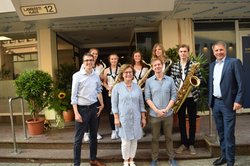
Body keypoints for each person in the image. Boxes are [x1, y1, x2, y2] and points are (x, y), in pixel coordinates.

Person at [208, 41, 244, 166]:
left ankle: (230, 161)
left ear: (225, 50)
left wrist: (238, 100)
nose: (219, 52)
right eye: (216, 50)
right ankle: (223, 156)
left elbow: (241, 83)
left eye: (221, 50)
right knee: (221, 133)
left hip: (228, 103)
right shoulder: (212, 65)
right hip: (215, 103)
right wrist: (210, 102)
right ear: (213, 52)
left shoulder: (234, 62)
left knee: (228, 133)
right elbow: (212, 85)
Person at [71, 53, 106, 166]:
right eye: (86, 60)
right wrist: (76, 113)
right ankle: (77, 163)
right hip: (82, 110)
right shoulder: (77, 76)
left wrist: (102, 104)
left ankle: (93, 159)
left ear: (93, 62)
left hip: (94, 108)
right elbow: (73, 96)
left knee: (93, 136)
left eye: (91, 60)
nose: (89, 62)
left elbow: (99, 90)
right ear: (83, 62)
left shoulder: (96, 75)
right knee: (78, 139)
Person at [144, 58, 178, 166]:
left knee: (169, 137)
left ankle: (171, 158)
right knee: (155, 138)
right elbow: (147, 98)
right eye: (155, 65)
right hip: (154, 115)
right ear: (152, 67)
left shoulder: (170, 80)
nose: (157, 67)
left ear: (162, 66)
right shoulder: (148, 81)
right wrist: (157, 111)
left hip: (168, 114)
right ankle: (154, 159)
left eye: (159, 64)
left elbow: (174, 96)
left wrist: (166, 109)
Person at [111, 64, 147, 166]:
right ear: (122, 74)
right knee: (126, 141)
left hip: (136, 118)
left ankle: (132, 159)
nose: (128, 74)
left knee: (134, 140)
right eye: (126, 72)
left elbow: (141, 104)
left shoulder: (137, 87)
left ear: (133, 74)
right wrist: (116, 118)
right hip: (123, 119)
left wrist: (143, 117)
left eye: (130, 72)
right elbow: (114, 105)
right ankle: (126, 160)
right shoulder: (117, 87)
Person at [170, 44, 202, 155]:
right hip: (180, 96)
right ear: (178, 53)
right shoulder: (174, 66)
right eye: (181, 51)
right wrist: (179, 86)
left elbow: (200, 78)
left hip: (192, 96)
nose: (183, 53)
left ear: (188, 52)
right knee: (181, 121)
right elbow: (172, 80)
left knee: (192, 121)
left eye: (185, 51)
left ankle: (192, 144)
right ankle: (184, 143)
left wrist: (191, 83)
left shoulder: (194, 65)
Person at [84, 48, 105, 142]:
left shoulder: (100, 66)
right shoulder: (84, 65)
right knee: (86, 115)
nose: (95, 55)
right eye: (93, 53)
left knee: (96, 114)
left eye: (96, 54)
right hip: (87, 94)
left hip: (97, 92)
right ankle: (86, 133)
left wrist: (102, 77)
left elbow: (102, 79)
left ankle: (95, 132)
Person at [103, 53, 120, 140]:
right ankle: (113, 130)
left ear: (117, 60)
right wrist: (107, 87)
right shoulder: (106, 70)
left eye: (115, 59)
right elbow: (104, 82)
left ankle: (119, 130)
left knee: (120, 111)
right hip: (110, 93)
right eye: (112, 59)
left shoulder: (121, 69)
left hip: (119, 93)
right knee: (111, 112)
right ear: (109, 60)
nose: (114, 60)